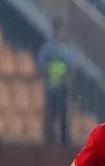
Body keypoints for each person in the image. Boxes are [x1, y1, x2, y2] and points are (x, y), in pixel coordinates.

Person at [37, 17, 74, 147]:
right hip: (51, 85)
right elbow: (42, 64)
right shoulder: (48, 48)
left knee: (63, 114)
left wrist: (67, 79)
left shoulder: (66, 48)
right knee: (51, 114)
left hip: (62, 86)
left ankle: (64, 141)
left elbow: (71, 66)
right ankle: (50, 140)